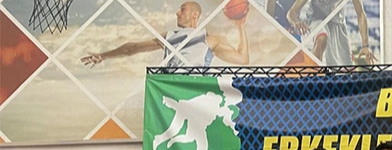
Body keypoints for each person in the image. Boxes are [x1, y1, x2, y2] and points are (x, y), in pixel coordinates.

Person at [81, 2, 249, 68]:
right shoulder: (170, 36)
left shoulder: (209, 39)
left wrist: (240, 25)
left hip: (194, 97)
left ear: (195, 14)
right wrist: (103, 55)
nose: (177, 13)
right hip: (170, 95)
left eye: (182, 9)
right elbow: (133, 48)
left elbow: (243, 59)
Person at [286, 0, 375, 66]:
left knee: (345, 69)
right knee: (321, 37)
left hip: (337, 24)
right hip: (316, 20)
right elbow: (291, 12)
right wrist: (296, 22)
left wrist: (365, 45)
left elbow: (360, 13)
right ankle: (313, 76)